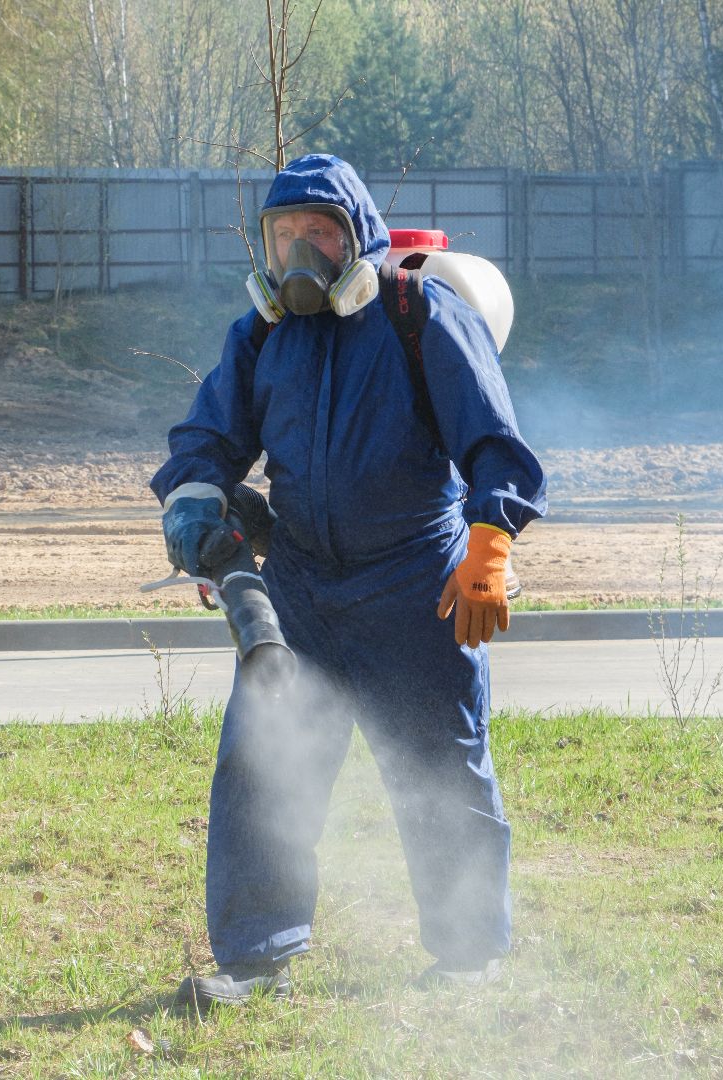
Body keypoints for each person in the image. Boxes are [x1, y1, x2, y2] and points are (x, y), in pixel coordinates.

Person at [153, 153, 547, 1008]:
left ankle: (469, 959)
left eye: (319, 231)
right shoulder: (260, 336)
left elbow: (492, 440)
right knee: (264, 765)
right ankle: (256, 961)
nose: (300, 248)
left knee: (442, 771)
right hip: (299, 591)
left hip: (417, 584)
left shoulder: (419, 315)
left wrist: (491, 543)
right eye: (283, 233)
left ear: (356, 238)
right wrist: (196, 508)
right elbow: (207, 442)